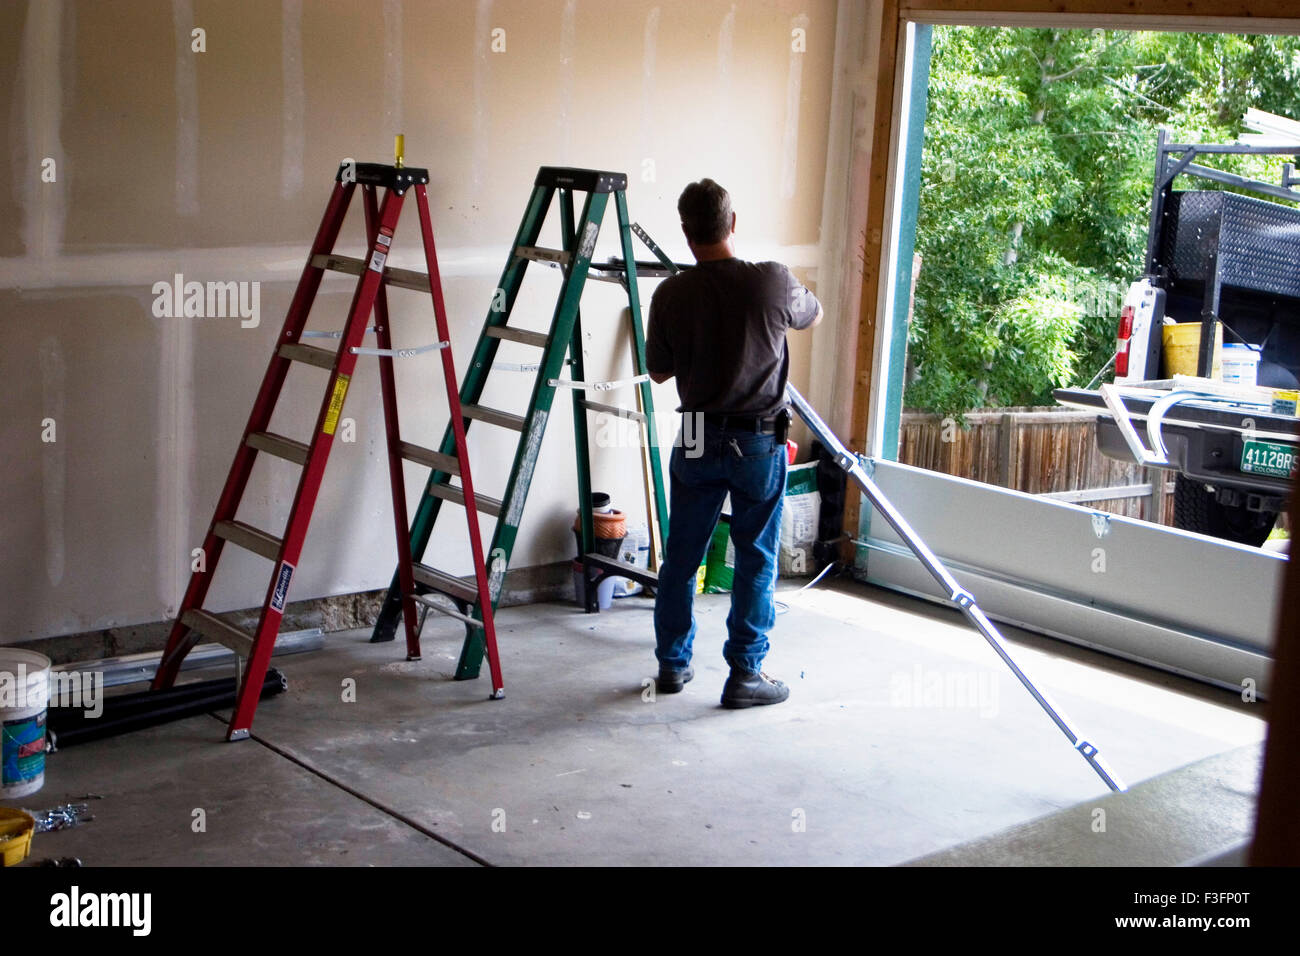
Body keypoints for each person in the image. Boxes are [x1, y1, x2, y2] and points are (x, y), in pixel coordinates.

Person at [645, 178, 822, 708]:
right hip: (757, 434)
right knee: (754, 556)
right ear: (733, 223)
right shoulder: (771, 280)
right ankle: (745, 674)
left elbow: (657, 371)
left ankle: (673, 666)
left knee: (682, 556)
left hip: (698, 427)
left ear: (685, 231)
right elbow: (812, 313)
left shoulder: (671, 293)